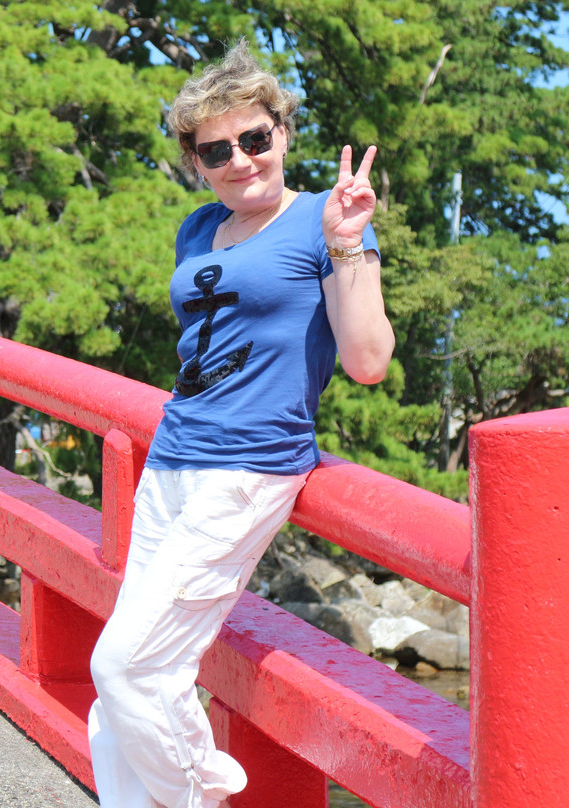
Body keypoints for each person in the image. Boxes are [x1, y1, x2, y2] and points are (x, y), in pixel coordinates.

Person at [86, 40, 395, 808]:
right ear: (197, 161)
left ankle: (199, 793)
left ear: (283, 132)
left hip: (247, 468)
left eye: (254, 139)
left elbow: (367, 359)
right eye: (216, 149)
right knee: (123, 697)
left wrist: (348, 244)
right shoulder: (198, 229)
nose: (240, 160)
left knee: (124, 667)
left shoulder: (323, 225)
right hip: (172, 460)